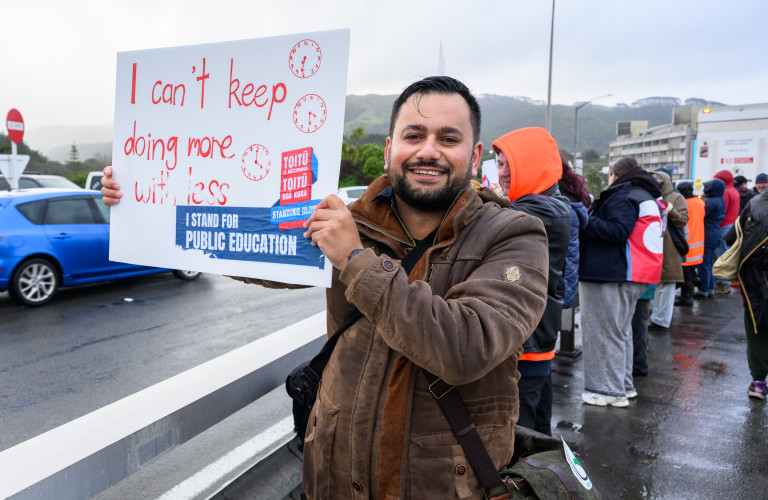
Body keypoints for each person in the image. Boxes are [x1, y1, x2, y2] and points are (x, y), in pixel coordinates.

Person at [102, 76, 551, 499]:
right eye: (413, 136)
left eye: (448, 139)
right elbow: (253, 249)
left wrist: (355, 259)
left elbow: (465, 347)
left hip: (445, 485)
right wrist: (144, 206)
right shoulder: (352, 221)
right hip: (333, 476)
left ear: (473, 156)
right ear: (389, 149)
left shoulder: (514, 235)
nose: (428, 151)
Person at [490, 127, 571, 436]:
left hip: (529, 340)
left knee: (519, 433)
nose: (503, 173)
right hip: (534, 336)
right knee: (537, 428)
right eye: (499, 164)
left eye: (511, 164)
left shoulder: (542, 209)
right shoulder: (547, 202)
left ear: (532, 164)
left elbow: (488, 218)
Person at [578, 157, 663, 407]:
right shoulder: (643, 194)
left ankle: (606, 390)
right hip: (634, 273)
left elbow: (618, 230)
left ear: (615, 175)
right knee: (619, 332)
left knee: (602, 332)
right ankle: (623, 386)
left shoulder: (623, 195)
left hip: (611, 273)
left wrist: (583, 219)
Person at [725, 189, 768, 399]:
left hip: (756, 280)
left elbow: (731, 238)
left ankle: (758, 382)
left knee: (756, 328)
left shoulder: (755, 203)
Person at [649, 171, 688, 330]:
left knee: (667, 284)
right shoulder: (648, 197)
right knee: (654, 284)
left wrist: (670, 209)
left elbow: (683, 219)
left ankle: (661, 320)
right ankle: (655, 316)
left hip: (669, 245)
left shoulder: (677, 198)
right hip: (652, 244)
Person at [558, 156, 590, 311]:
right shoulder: (565, 201)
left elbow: (569, 256)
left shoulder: (563, 208)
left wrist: (566, 296)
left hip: (554, 290)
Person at [675, 181, 705, 306]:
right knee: (690, 272)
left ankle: (687, 298)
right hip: (698, 243)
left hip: (687, 243)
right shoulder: (700, 202)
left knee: (686, 274)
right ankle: (687, 295)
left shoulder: (684, 204)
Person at [695, 178, 726, 299]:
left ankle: (703, 290)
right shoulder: (720, 200)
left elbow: (699, 215)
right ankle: (711, 288)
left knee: (704, 263)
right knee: (711, 262)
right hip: (715, 233)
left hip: (706, 234)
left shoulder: (708, 202)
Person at [713, 170, 739, 294]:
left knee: (722, 255)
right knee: (727, 254)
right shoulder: (734, 191)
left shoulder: (725, 192)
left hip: (722, 226)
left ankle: (723, 283)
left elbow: (721, 212)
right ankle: (725, 283)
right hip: (731, 225)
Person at [632, 284, 657, 377]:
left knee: (637, 328)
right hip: (643, 287)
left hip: (638, 286)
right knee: (640, 326)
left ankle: (639, 365)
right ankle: (639, 364)